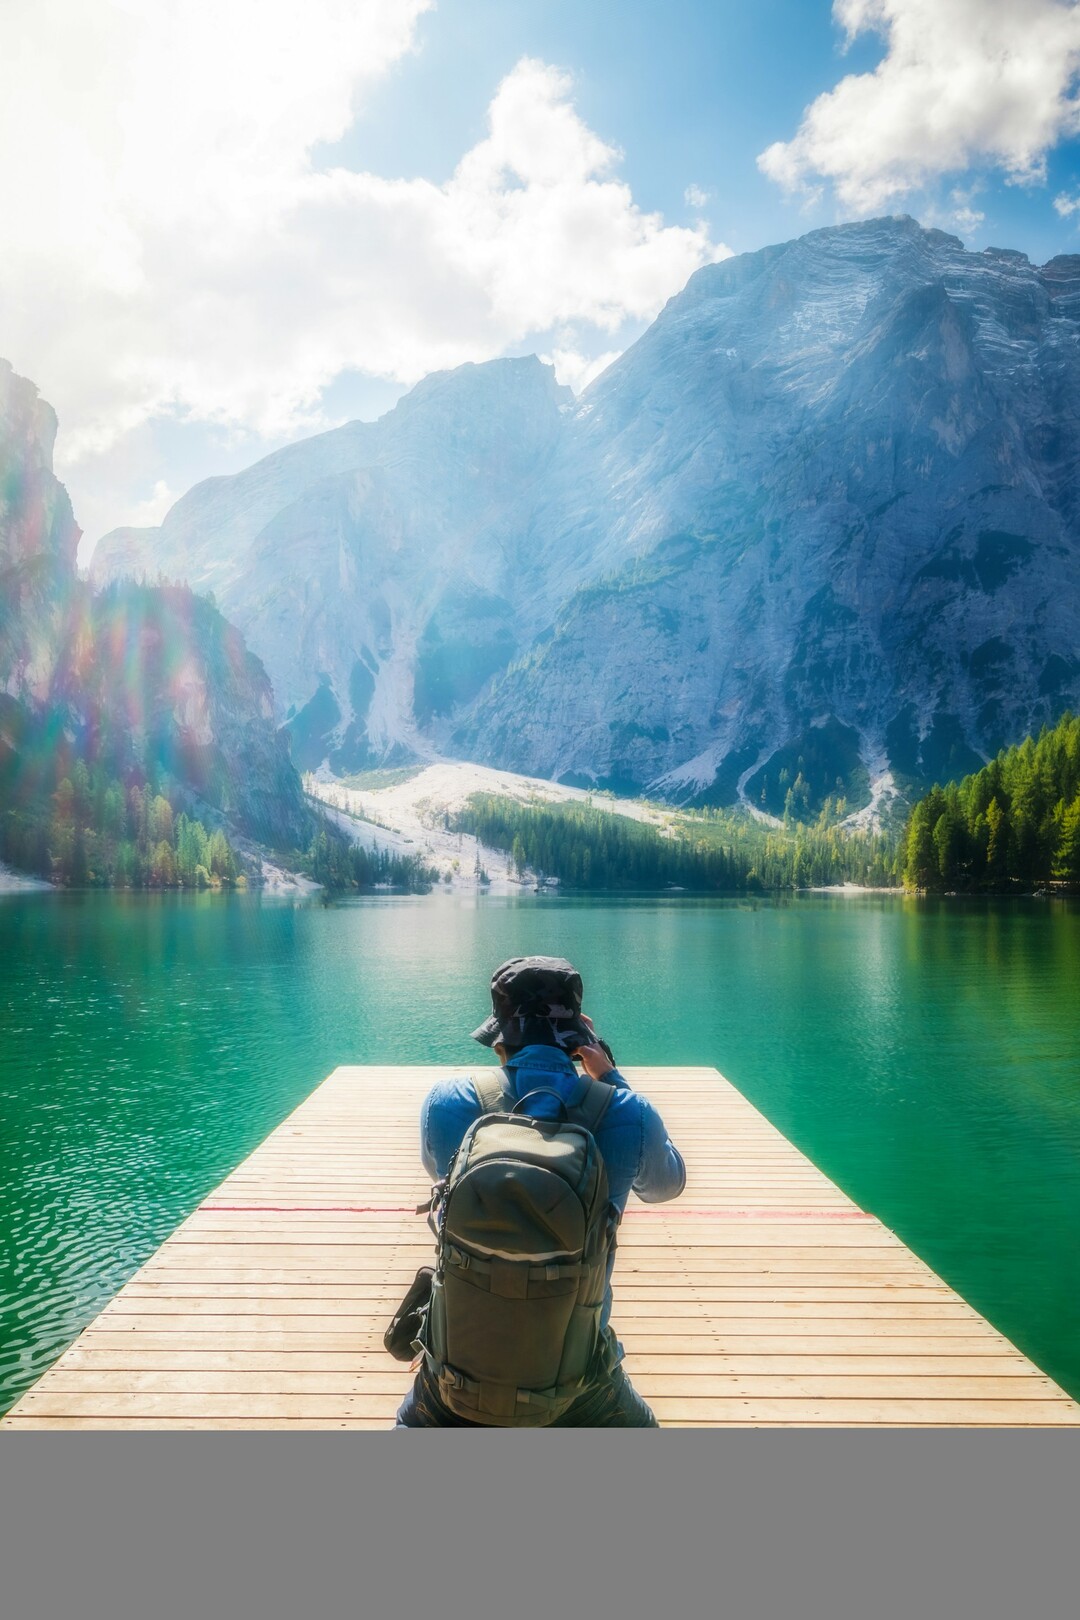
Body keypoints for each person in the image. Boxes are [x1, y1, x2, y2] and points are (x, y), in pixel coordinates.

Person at [395, 955, 686, 1427]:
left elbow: (438, 1172)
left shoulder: (446, 1102)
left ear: (499, 1037)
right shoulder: (626, 1111)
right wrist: (610, 1079)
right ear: (577, 1041)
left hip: (455, 1366)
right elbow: (666, 1185)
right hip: (575, 1374)